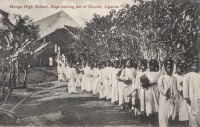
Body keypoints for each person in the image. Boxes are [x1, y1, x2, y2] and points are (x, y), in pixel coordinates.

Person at [157, 59, 178, 127]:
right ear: (165, 68)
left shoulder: (174, 78)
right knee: (163, 117)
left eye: (171, 67)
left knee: (172, 116)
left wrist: (174, 97)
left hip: (172, 100)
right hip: (164, 100)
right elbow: (160, 88)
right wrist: (165, 92)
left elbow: (175, 89)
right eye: (168, 67)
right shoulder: (161, 77)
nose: (170, 69)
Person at [183, 58, 200, 127]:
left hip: (198, 97)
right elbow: (185, 87)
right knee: (192, 116)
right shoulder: (187, 76)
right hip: (191, 99)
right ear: (190, 66)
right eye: (193, 64)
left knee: (198, 115)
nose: (195, 66)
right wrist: (186, 97)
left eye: (197, 64)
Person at [173, 61, 189, 125]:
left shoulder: (184, 76)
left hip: (183, 94)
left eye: (181, 67)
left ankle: (184, 121)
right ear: (176, 68)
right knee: (175, 108)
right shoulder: (174, 76)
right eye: (178, 68)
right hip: (176, 94)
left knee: (184, 107)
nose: (180, 69)